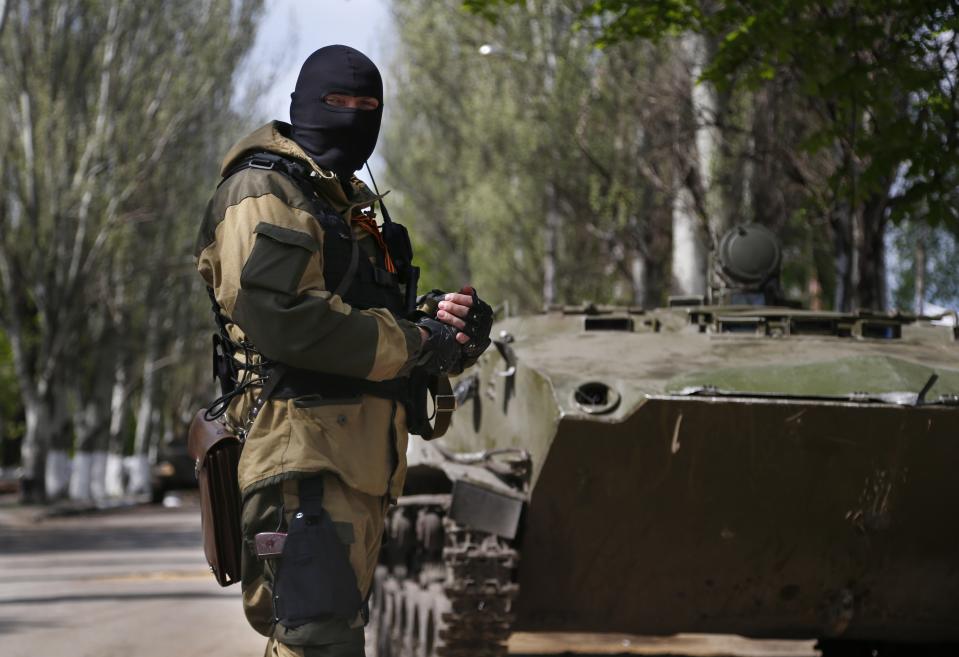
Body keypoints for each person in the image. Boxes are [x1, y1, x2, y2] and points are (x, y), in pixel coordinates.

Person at [194, 45, 492, 657]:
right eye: (336, 102)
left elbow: (359, 320)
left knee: (330, 640)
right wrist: (415, 341)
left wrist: (446, 331)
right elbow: (287, 322)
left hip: (353, 461)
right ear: (302, 105)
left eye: (368, 105)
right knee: (318, 643)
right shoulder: (263, 192)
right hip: (302, 454)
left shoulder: (342, 204)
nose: (353, 116)